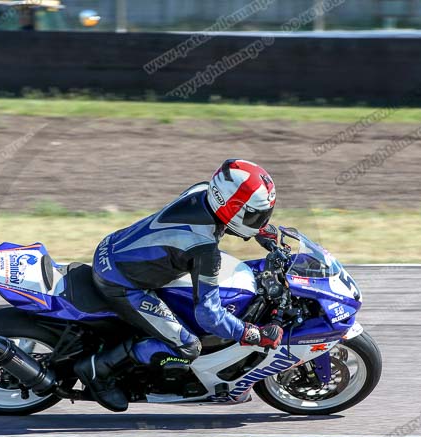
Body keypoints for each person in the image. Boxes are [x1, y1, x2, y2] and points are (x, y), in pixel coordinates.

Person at [74, 159, 284, 412]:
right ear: (233, 207)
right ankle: (100, 369)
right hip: (122, 283)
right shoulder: (204, 251)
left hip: (113, 247)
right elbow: (209, 316)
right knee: (188, 345)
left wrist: (258, 231)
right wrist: (252, 333)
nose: (261, 220)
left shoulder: (201, 191)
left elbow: (223, 220)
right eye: (256, 214)